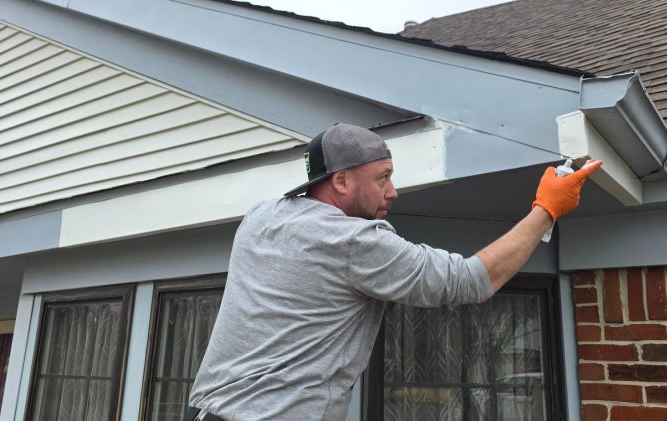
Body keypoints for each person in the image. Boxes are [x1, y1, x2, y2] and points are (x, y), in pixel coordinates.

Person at [186, 123, 601, 421]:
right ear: (343, 181)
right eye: (382, 178)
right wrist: (547, 209)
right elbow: (472, 280)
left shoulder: (262, 215)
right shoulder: (354, 243)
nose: (393, 191)